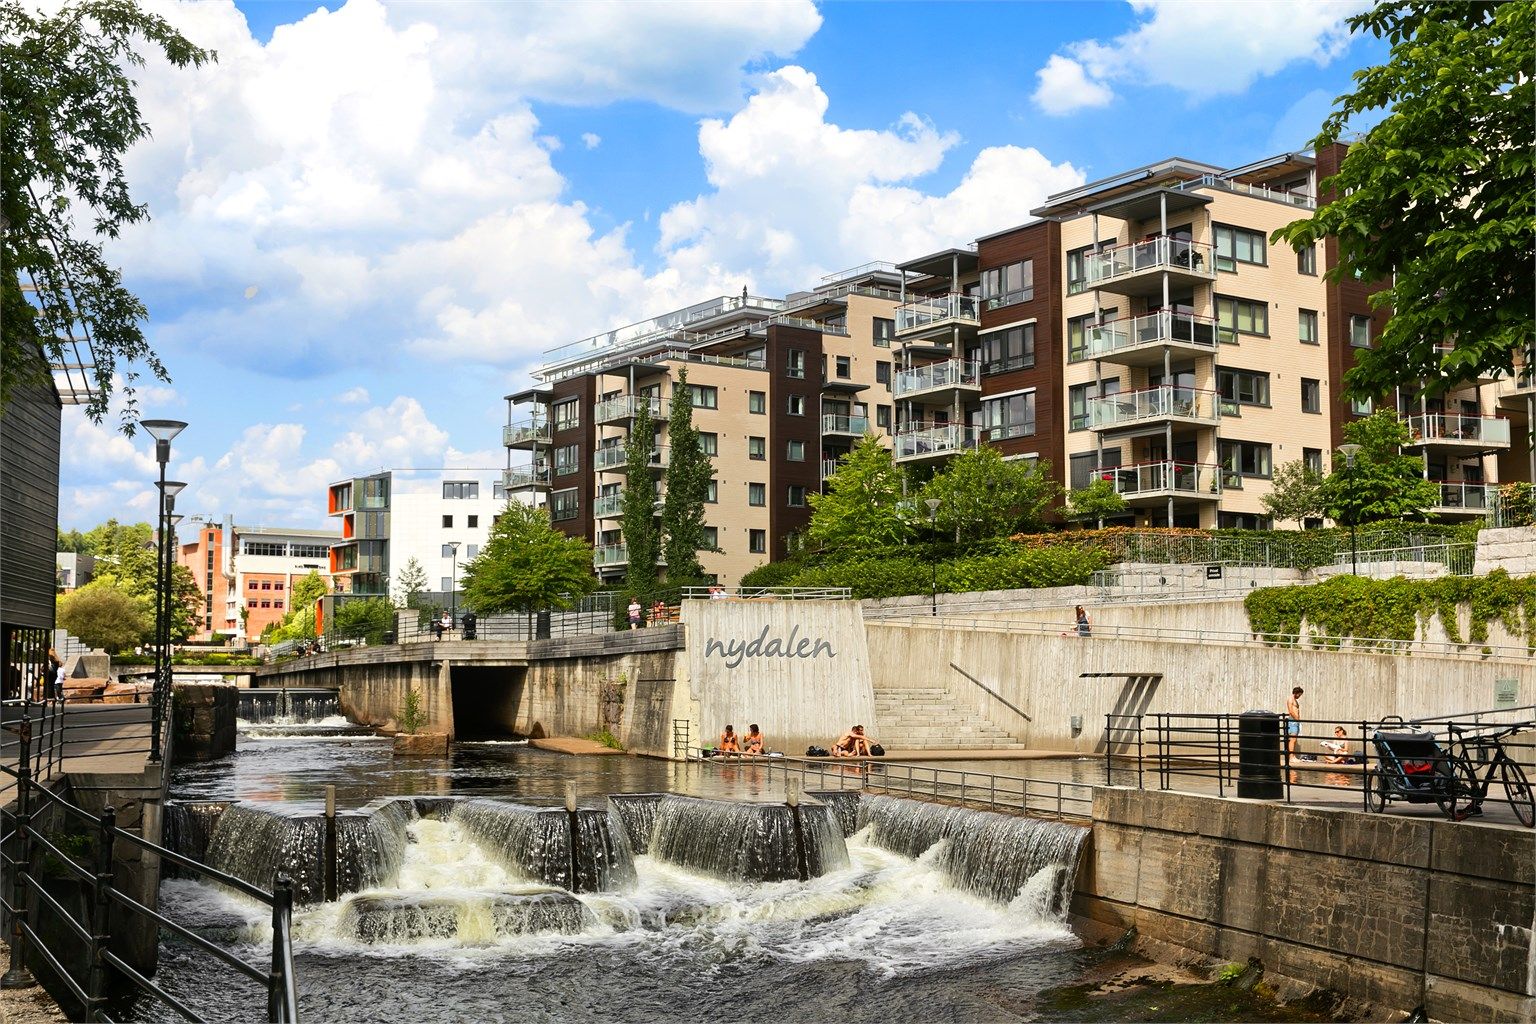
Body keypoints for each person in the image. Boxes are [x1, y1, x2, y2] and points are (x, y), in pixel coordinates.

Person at [1285, 686, 1304, 762]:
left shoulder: (1295, 700)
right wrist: (1297, 719)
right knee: (1292, 740)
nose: (1299, 696)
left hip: (1295, 721)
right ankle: (1291, 757)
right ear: (1296, 693)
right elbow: (1291, 711)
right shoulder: (1290, 699)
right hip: (1293, 721)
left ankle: (1292, 756)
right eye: (1299, 694)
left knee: (1294, 739)